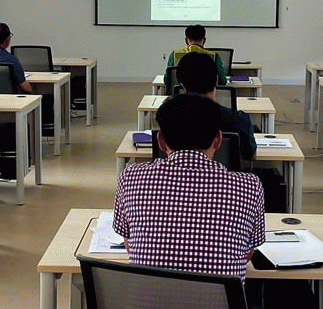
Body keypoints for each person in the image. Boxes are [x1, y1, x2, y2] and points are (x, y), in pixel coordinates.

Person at [113, 93, 265, 280]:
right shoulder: (249, 186)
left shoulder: (130, 177)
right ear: (218, 139)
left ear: (161, 141)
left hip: (146, 299)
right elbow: (247, 253)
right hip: (219, 300)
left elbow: (129, 245)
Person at [176, 52, 257, 160]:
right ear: (217, 80)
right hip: (226, 171)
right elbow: (251, 156)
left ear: (183, 87)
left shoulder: (171, 120)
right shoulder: (240, 119)